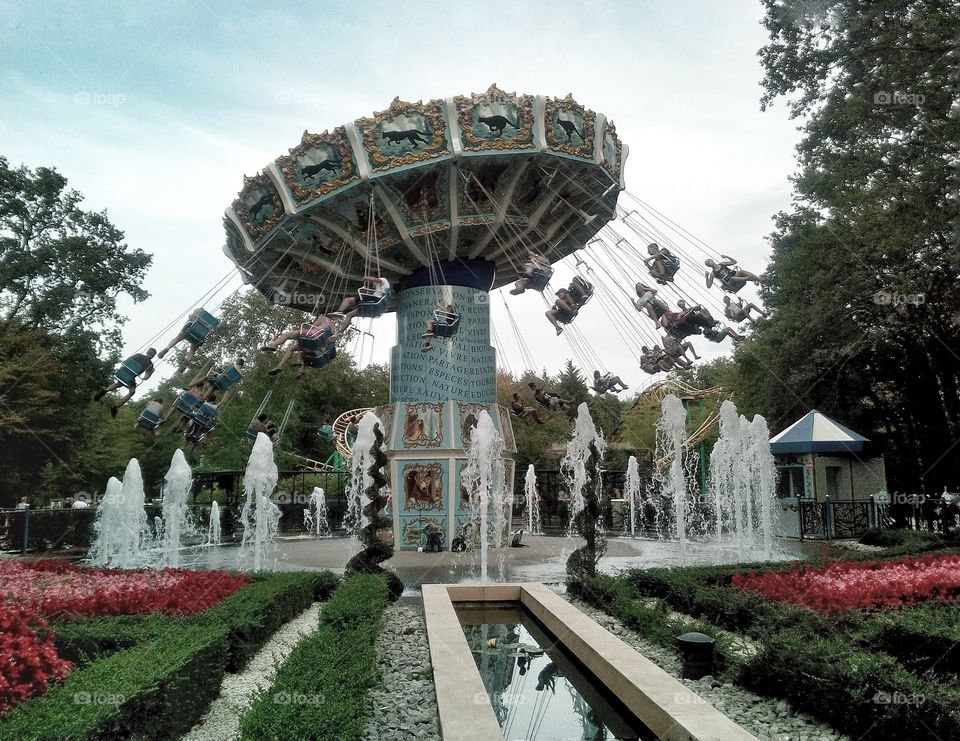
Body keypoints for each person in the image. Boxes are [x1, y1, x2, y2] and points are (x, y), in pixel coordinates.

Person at [94, 348, 157, 418]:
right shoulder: (149, 364)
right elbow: (145, 378)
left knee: (119, 383)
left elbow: (126, 361)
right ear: (153, 356)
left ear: (147, 352)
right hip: (130, 378)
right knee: (132, 392)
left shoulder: (138, 355)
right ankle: (115, 407)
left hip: (122, 372)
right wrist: (151, 373)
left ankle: (104, 391)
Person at [157, 309, 214, 373]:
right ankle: (186, 362)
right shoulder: (212, 322)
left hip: (190, 328)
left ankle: (167, 348)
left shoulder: (198, 311)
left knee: (177, 338)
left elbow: (191, 317)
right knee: (192, 350)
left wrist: (191, 317)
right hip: (201, 336)